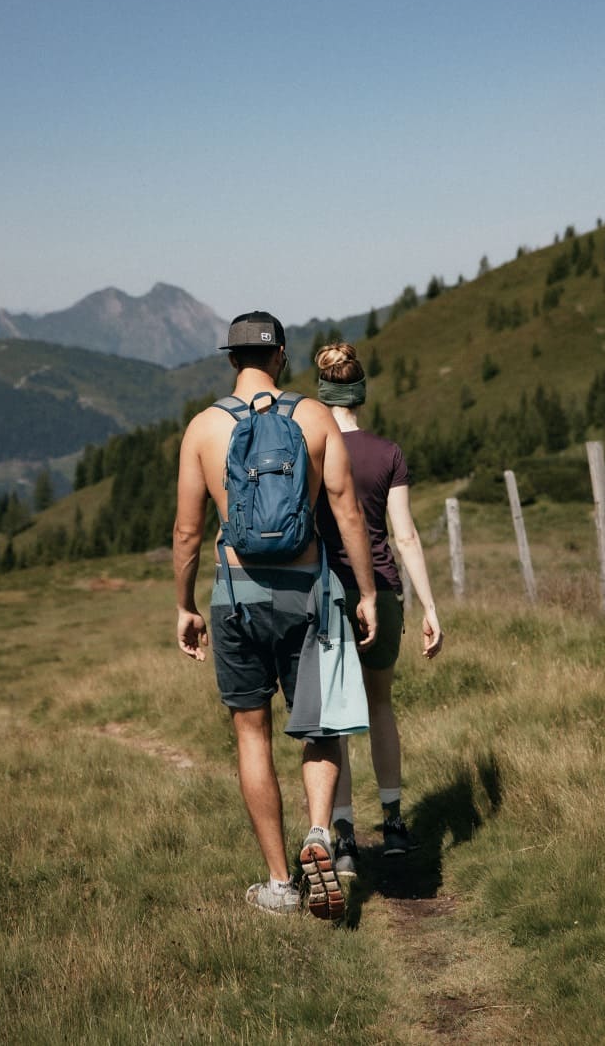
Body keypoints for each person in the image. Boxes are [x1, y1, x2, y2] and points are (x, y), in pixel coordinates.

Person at [174, 312, 378, 919]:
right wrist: (365, 592)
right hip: (307, 593)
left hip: (236, 595)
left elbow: (188, 532)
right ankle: (321, 832)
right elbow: (346, 514)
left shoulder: (204, 428)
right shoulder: (314, 418)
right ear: (283, 356)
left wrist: (184, 605)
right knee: (318, 727)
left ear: (230, 359)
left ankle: (280, 883)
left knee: (251, 733)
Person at [313, 341, 443, 875]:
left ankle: (342, 835)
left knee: (334, 720)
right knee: (381, 706)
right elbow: (405, 535)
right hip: (383, 590)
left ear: (324, 394)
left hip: (326, 594)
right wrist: (431, 606)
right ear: (360, 394)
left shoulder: (311, 450)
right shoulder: (387, 453)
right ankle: (392, 823)